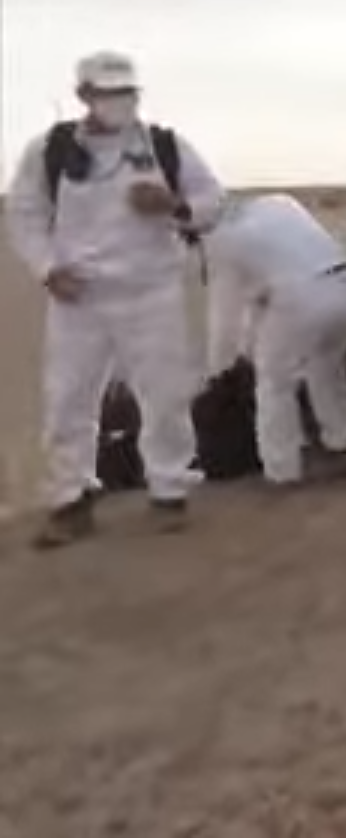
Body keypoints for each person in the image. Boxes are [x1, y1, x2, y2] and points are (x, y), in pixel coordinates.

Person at [4, 51, 225, 548]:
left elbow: (212, 203)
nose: (118, 103)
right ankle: (71, 498)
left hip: (152, 292)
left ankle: (169, 489)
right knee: (68, 400)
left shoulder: (166, 146)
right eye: (108, 93)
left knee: (165, 393)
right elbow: (26, 215)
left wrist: (173, 206)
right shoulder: (50, 151)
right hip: (79, 298)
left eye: (126, 93)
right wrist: (47, 269)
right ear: (83, 95)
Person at [200, 192, 346, 486]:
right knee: (327, 366)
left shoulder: (221, 241)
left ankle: (282, 468)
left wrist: (220, 367)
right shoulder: (280, 204)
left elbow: (226, 314)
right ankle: (342, 443)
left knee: (273, 381)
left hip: (302, 296)